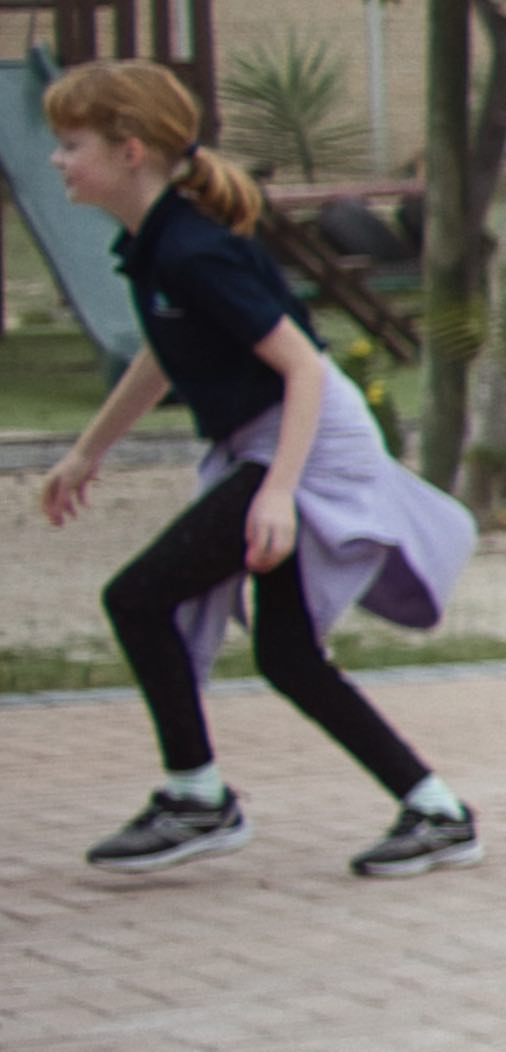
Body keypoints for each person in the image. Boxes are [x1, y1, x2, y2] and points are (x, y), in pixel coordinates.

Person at [31, 58, 482, 878]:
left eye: (71, 144)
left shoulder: (193, 249)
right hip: (271, 440)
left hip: (306, 441)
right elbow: (162, 360)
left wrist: (277, 495)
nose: (57, 160)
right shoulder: (155, 242)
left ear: (129, 150)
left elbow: (303, 367)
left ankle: (198, 797)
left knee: (137, 597)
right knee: (286, 657)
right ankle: (436, 811)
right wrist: (86, 452)